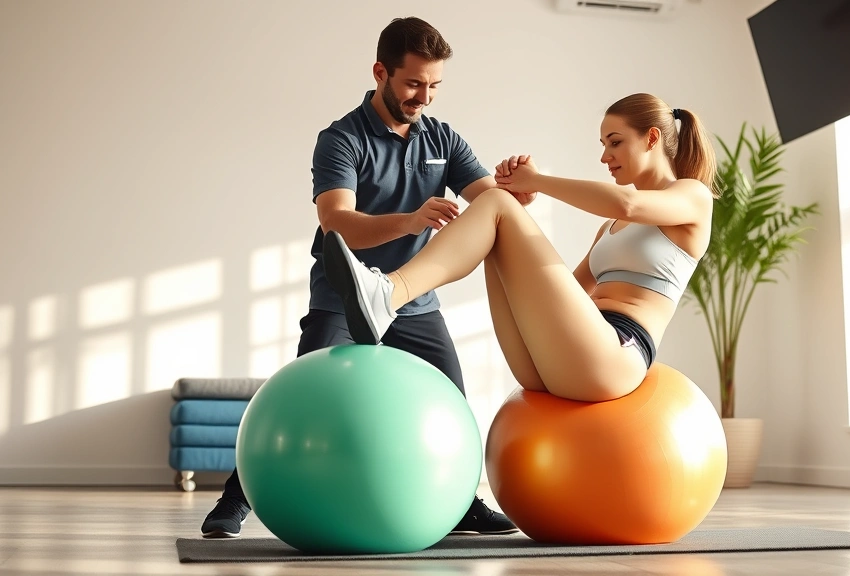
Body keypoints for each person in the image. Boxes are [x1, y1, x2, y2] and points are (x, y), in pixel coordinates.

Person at [200, 16, 522, 539]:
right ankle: (237, 501)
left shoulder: (442, 137)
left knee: (453, 405)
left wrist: (518, 190)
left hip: (414, 300)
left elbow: (492, 203)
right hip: (342, 297)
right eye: (414, 83)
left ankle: (462, 504)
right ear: (381, 72)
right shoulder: (341, 139)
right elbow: (336, 224)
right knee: (302, 400)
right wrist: (415, 218)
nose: (425, 96)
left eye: (434, 85)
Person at [324, 93, 716, 403]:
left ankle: (388, 293)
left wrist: (537, 181)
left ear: (651, 138)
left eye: (615, 142)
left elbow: (626, 203)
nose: (604, 156)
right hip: (557, 359)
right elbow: (565, 291)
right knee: (496, 212)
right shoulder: (610, 230)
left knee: (494, 204)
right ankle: (387, 295)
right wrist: (516, 197)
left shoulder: (693, 197)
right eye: (602, 143)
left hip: (616, 355)